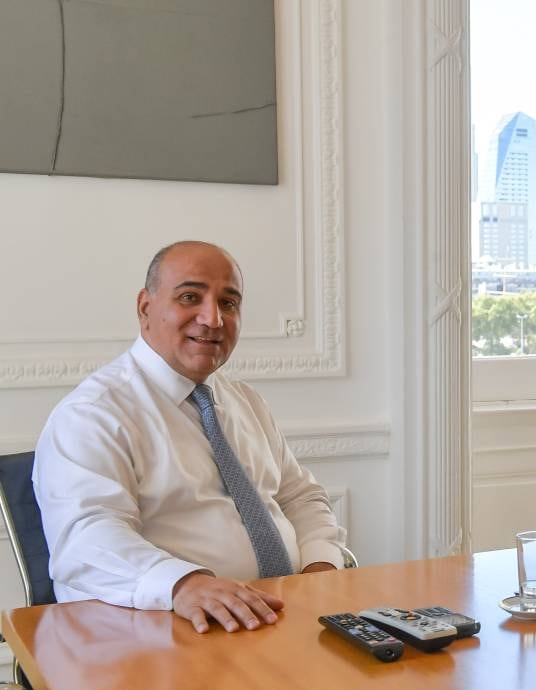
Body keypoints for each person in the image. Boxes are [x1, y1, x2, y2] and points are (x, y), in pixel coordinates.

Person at [34, 241, 348, 633]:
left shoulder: (245, 401)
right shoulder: (92, 413)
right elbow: (87, 539)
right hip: (158, 631)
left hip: (278, 618)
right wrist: (183, 584)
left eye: (229, 303)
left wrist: (320, 567)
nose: (213, 318)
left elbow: (299, 495)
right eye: (190, 297)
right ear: (145, 308)